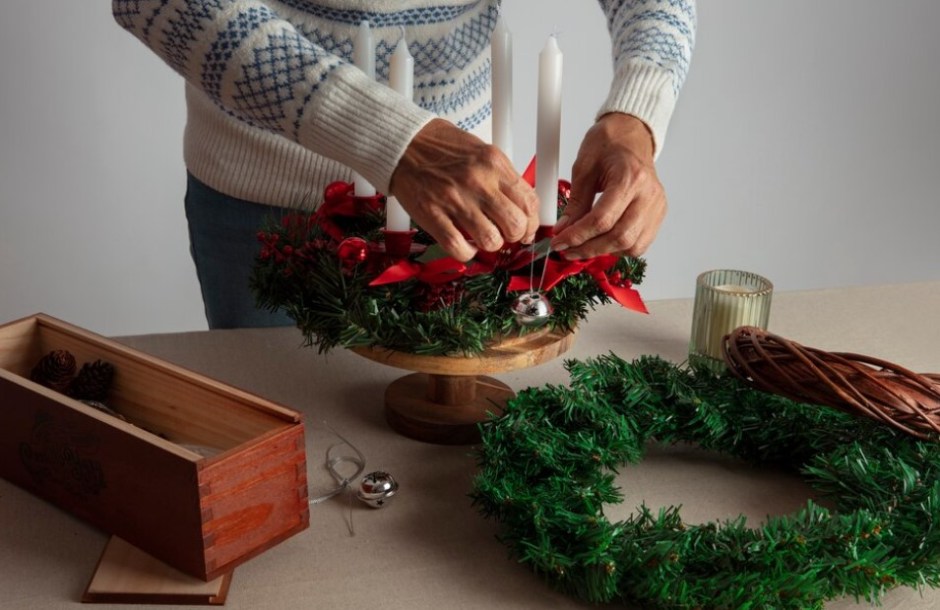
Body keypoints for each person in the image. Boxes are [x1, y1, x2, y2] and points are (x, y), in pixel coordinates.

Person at [112, 1, 696, 329]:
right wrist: (395, 139)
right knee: (280, 465)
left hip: (470, 206)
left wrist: (636, 117)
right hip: (264, 200)